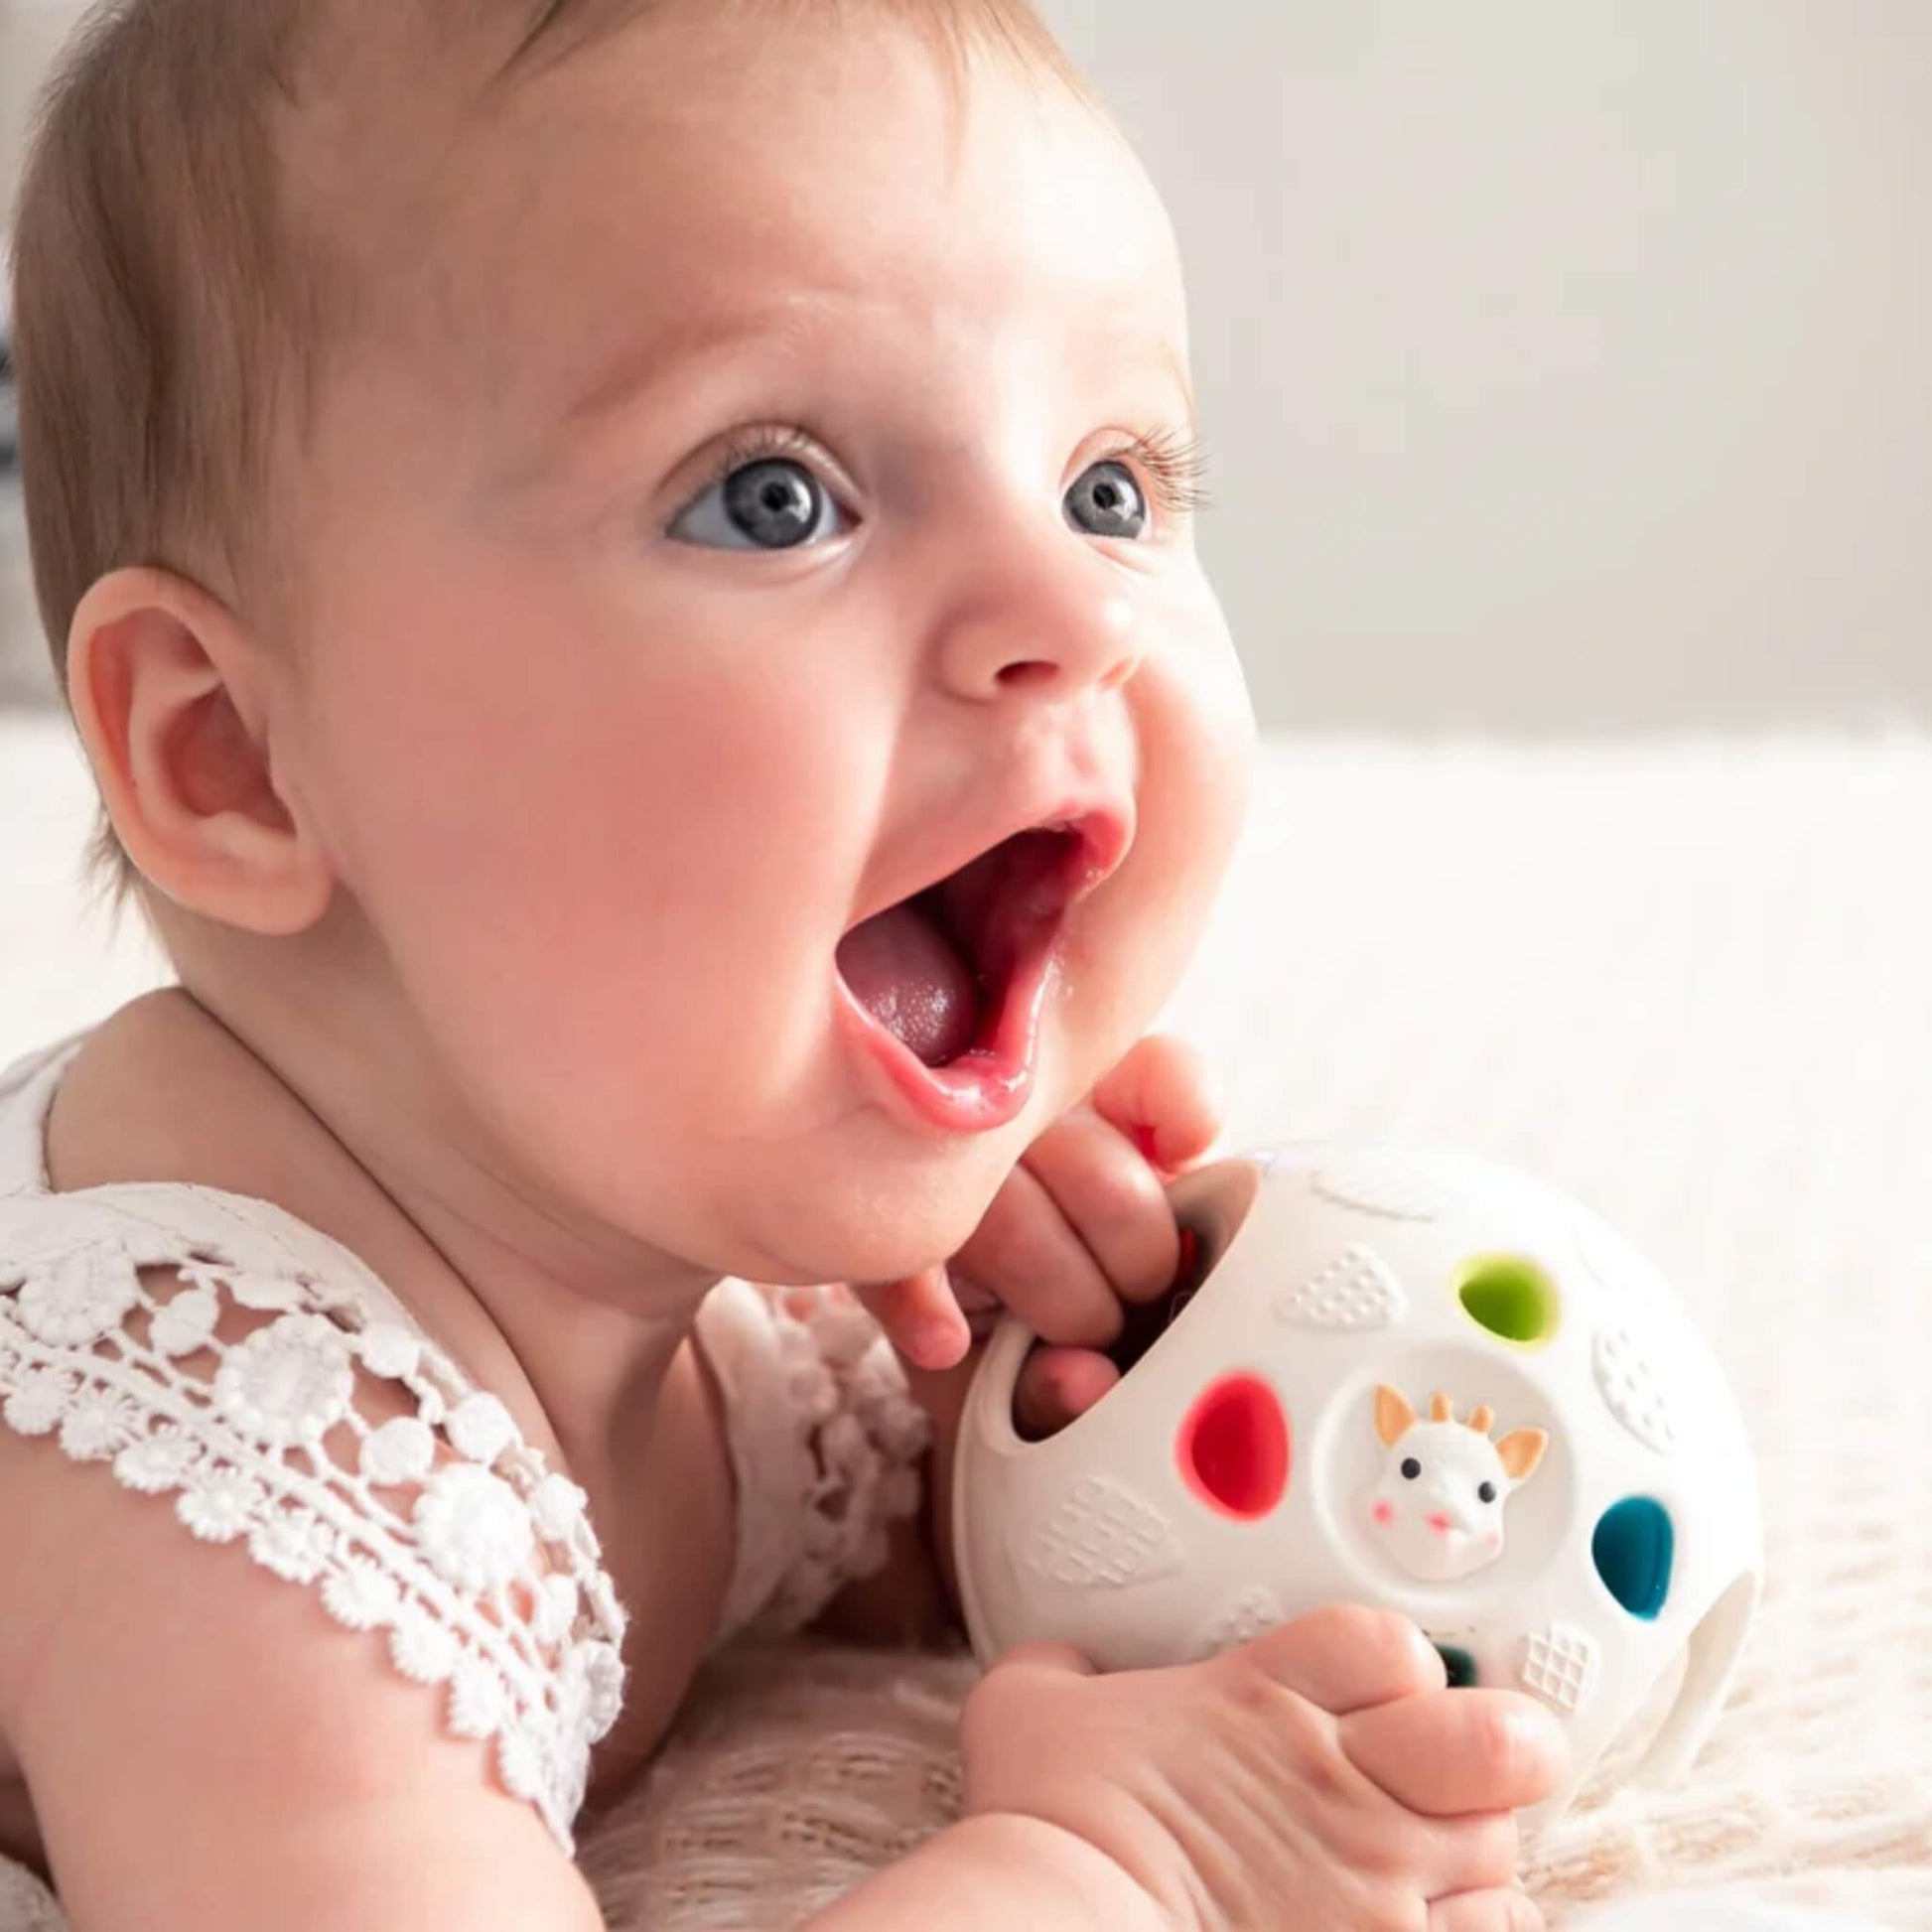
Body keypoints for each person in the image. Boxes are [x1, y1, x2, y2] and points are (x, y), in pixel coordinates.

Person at [0, 1, 1565, 1925]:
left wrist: (1022, 1431)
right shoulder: (227, 1459)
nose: (1065, 615)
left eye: (1108, 487)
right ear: (234, 756)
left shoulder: (599, 1180)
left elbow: (839, 1533)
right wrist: (1122, 1859)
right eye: (775, 497)